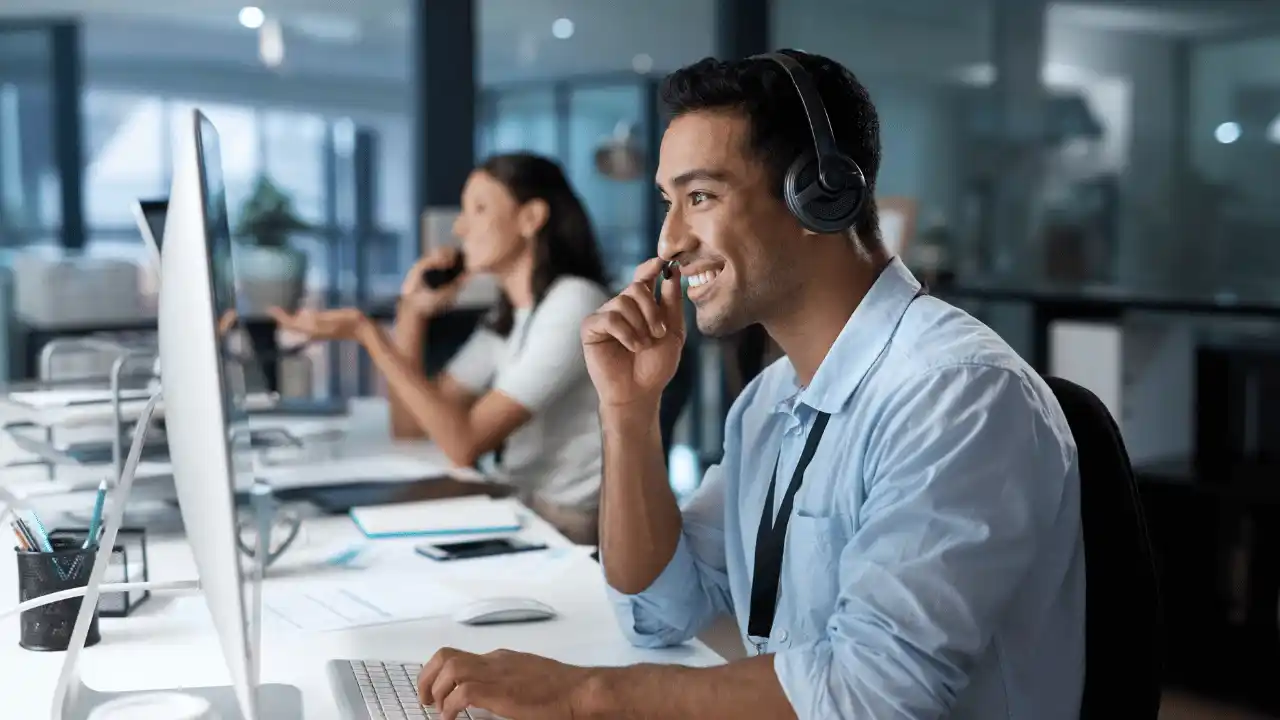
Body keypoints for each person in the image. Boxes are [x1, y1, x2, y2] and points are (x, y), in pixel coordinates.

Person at [413, 50, 1086, 720]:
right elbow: (659, 610)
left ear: (821, 196)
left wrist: (583, 694)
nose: (669, 240)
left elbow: (872, 696)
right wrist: (627, 413)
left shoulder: (955, 396)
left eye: (700, 197)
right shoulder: (771, 402)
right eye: (667, 202)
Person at [270, 152, 611, 544]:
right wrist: (412, 314)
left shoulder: (573, 304)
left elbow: (463, 443)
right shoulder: (510, 314)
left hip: (563, 524)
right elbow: (411, 427)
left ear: (530, 218)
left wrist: (368, 334)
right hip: (516, 504)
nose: (461, 228)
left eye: (479, 209)